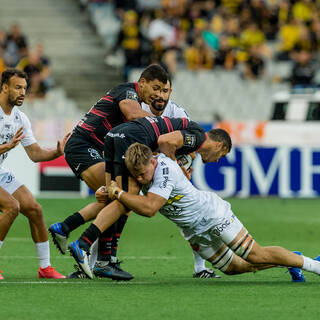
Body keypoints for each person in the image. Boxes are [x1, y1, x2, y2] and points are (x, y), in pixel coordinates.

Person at [106, 142, 320, 281]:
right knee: (235, 268)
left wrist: (117, 193)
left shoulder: (164, 170)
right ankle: (292, 259)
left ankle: (315, 266)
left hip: (213, 215)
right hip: (194, 230)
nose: (140, 179)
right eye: (137, 175)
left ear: (153, 160)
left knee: (256, 254)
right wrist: (106, 190)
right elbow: (125, 190)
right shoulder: (141, 167)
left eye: (143, 174)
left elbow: (150, 208)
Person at [49, 64, 171, 280]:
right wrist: (166, 125)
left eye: (163, 90)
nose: (158, 94)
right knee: (122, 197)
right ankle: (102, 259)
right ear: (142, 83)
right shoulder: (129, 92)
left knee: (117, 199)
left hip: (94, 149)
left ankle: (68, 230)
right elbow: (133, 114)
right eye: (155, 88)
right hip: (83, 146)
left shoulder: (135, 96)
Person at [68, 118, 231, 279]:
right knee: (124, 200)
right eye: (221, 154)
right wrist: (175, 169)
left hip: (115, 135)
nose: (217, 160)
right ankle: (84, 244)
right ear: (218, 145)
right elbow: (164, 141)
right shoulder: (198, 137)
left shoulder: (187, 138)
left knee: (114, 197)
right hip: (130, 140)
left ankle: (98, 256)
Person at [0, 69, 69, 279]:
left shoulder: (20, 118)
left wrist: (56, 152)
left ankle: (45, 268)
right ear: (4, 88)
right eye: (17, 87)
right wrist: (7, 146)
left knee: (34, 209)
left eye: (24, 88)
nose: (23, 92)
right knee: (12, 207)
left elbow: (35, 154)